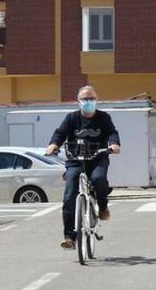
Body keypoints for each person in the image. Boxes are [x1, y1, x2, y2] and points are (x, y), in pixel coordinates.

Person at [45, 85, 121, 249]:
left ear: (96, 100)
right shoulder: (72, 118)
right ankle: (69, 237)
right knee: (69, 195)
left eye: (92, 98)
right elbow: (60, 133)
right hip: (75, 160)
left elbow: (112, 133)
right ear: (78, 101)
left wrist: (114, 144)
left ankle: (102, 206)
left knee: (98, 178)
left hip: (97, 158)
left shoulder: (103, 118)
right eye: (85, 99)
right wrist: (53, 145)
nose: (89, 102)